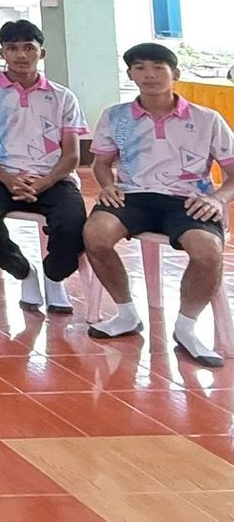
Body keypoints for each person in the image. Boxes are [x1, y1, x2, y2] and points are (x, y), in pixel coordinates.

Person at [85, 42, 234, 367]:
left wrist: (217, 198)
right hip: (133, 196)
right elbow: (101, 163)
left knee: (207, 250)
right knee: (95, 234)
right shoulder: (115, 116)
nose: (149, 75)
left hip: (188, 199)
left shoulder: (207, 119)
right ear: (130, 74)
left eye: (157, 68)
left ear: (175, 73)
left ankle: (186, 327)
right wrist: (107, 185)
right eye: (139, 68)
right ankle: (126, 313)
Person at [0, 20, 88, 314]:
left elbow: (71, 156)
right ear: (2, 53)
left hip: (54, 179)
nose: (21, 55)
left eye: (29, 48)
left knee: (73, 224)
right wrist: (8, 179)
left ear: (41, 53)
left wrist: (44, 182)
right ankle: (23, 271)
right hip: (1, 177)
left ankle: (53, 276)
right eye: (12, 48)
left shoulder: (62, 97)